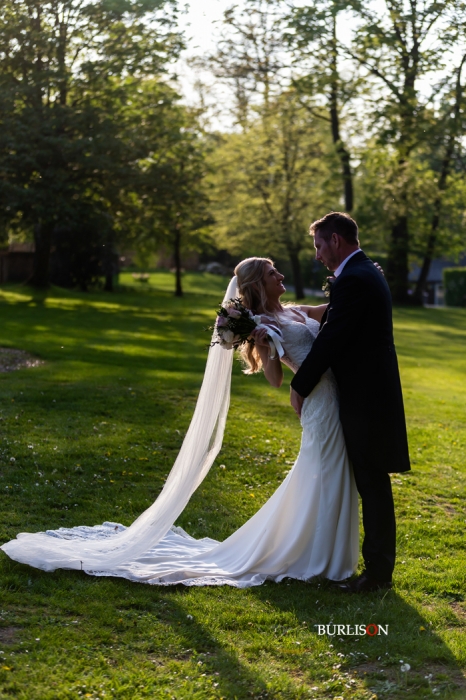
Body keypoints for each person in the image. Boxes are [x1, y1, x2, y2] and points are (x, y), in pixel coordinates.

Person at [1, 257, 359, 586]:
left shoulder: (297, 311)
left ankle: (319, 550)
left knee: (329, 470)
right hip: (319, 404)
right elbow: (276, 380)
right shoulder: (262, 324)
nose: (280, 275)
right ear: (257, 285)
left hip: (335, 398)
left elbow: (333, 308)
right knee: (323, 470)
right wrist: (264, 347)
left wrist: (358, 279)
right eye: (272, 273)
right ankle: (315, 556)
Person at [290, 212, 411, 593]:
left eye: (319, 245)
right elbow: (339, 320)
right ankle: (377, 571)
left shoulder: (356, 277)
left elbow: (333, 340)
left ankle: (377, 576)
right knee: (372, 483)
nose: (317, 255)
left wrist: (300, 384)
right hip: (368, 394)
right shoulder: (361, 273)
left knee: (372, 484)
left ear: (336, 241)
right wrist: (309, 312)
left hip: (366, 399)